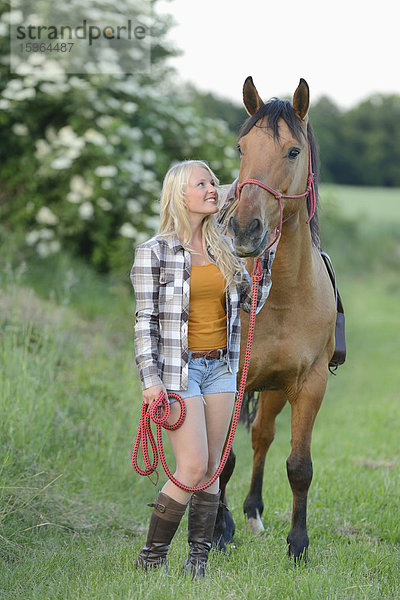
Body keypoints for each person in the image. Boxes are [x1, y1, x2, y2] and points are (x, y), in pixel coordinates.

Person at [130, 160, 275, 578]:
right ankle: (152, 556)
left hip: (221, 370)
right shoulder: (153, 252)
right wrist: (150, 380)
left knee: (214, 465)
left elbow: (251, 303)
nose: (214, 188)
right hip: (179, 372)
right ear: (180, 194)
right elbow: (144, 323)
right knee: (192, 466)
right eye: (203, 183)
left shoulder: (223, 248)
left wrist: (263, 261)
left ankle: (198, 561)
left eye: (214, 182)